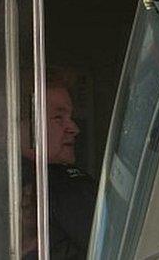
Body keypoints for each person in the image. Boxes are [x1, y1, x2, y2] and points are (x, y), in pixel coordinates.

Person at [24, 70, 97, 260]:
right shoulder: (69, 186)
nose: (73, 128)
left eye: (70, 117)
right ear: (19, 126)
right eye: (58, 118)